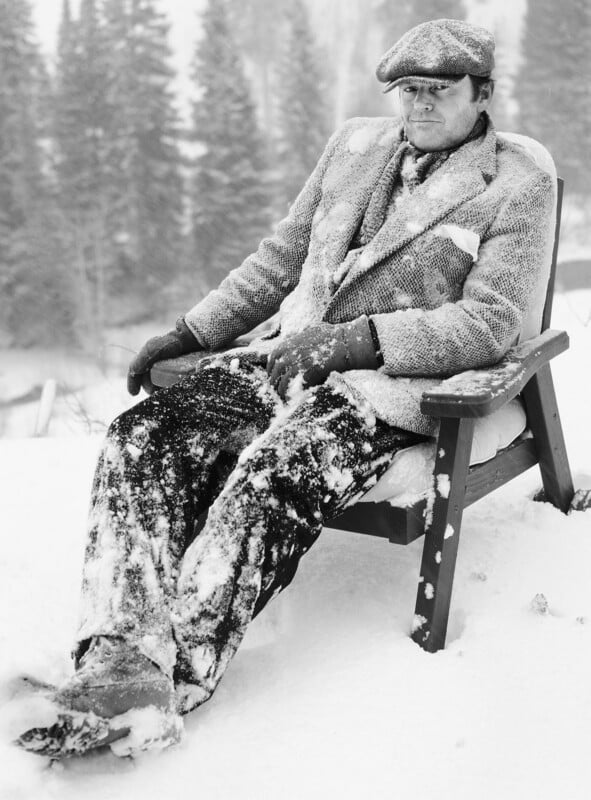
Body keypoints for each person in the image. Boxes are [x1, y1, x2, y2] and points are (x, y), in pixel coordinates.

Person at [17, 19, 554, 758]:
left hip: (388, 388)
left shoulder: (515, 185)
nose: (419, 105)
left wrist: (359, 341)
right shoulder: (353, 147)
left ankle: (179, 670)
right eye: (408, 90)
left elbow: (491, 324)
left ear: (481, 93)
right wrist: (193, 331)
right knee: (141, 438)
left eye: (439, 90)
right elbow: (280, 257)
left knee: (273, 473)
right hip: (284, 362)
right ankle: (119, 652)